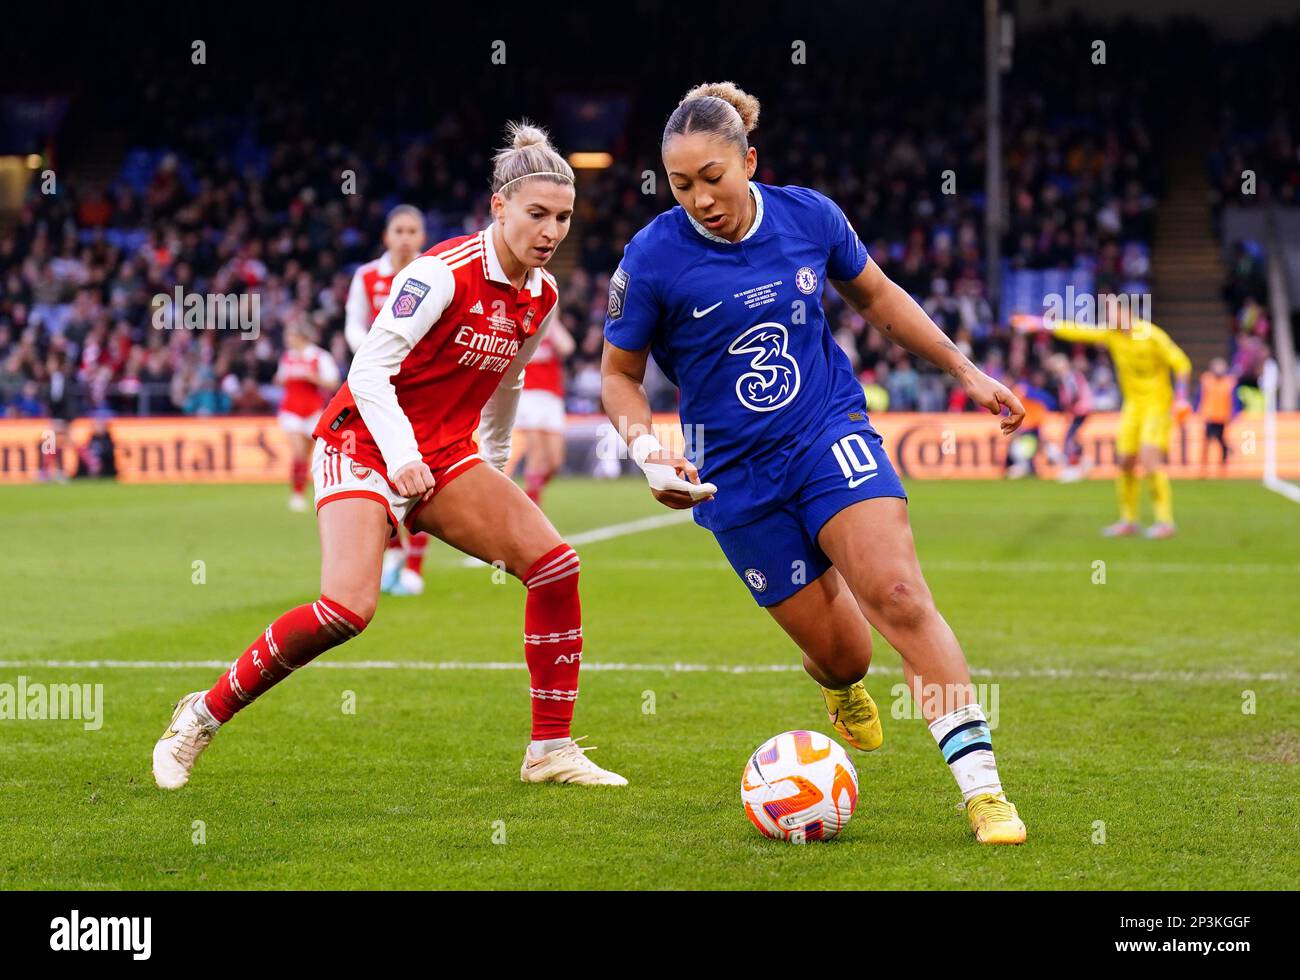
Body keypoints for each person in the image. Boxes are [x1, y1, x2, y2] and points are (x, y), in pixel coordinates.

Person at [601, 82, 1027, 844]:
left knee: (896, 593)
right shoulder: (652, 257)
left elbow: (879, 297)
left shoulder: (809, 216)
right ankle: (838, 686)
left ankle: (984, 791)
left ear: (749, 162)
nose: (699, 198)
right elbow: (617, 377)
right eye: (681, 184)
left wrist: (968, 372)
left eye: (713, 178)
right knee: (842, 653)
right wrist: (646, 452)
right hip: (728, 475)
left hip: (827, 433)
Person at [153, 121, 626, 791]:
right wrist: (401, 456)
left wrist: (489, 464)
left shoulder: (541, 295)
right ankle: (201, 714)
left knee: (555, 567)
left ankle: (549, 751)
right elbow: (370, 370)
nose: (552, 231)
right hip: (364, 442)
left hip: (444, 456)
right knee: (346, 610)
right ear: (499, 207)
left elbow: (508, 379)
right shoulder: (439, 273)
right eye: (537, 214)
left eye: (564, 218)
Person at [1013, 299, 1191, 538]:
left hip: (1157, 406)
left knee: (1150, 461)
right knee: (1126, 461)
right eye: (1107, 313)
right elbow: (1077, 331)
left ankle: (1165, 521)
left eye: (1113, 311)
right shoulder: (1112, 335)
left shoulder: (1151, 335)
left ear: (1126, 312)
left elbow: (1181, 364)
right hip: (1132, 408)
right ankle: (1129, 520)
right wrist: (1040, 324)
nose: (1109, 316)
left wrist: (1181, 398)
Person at [344, 205, 434, 594]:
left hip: (425, 390)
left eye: (413, 230)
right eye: (399, 230)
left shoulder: (434, 271)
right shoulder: (365, 277)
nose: (405, 237)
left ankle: (414, 566)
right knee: (380, 474)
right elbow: (352, 325)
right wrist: (373, 359)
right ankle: (394, 552)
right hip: (380, 391)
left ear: (422, 236)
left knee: (426, 474)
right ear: (386, 236)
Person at [276, 321, 340, 511]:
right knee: (298, 453)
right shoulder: (287, 357)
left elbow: (334, 383)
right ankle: (297, 494)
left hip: (313, 411)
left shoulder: (320, 357)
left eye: (290, 335)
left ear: (301, 336)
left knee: (308, 455)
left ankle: (312, 491)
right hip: (291, 410)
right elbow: (280, 379)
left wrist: (315, 379)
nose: (287, 339)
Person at [510, 316, 575, 506]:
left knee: (556, 462)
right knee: (536, 453)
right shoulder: (522, 325)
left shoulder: (550, 328)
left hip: (552, 397)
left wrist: (553, 321)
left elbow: (568, 347)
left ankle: (532, 491)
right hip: (528, 394)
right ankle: (532, 502)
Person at [1198, 357, 1236, 476]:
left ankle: (1223, 465)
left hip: (1222, 417)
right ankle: (1203, 467)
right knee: (1207, 441)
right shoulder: (1207, 380)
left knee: (1220, 440)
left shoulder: (1229, 382)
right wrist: (1198, 411)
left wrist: (1233, 414)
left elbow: (1233, 400)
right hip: (1209, 416)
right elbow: (1200, 396)